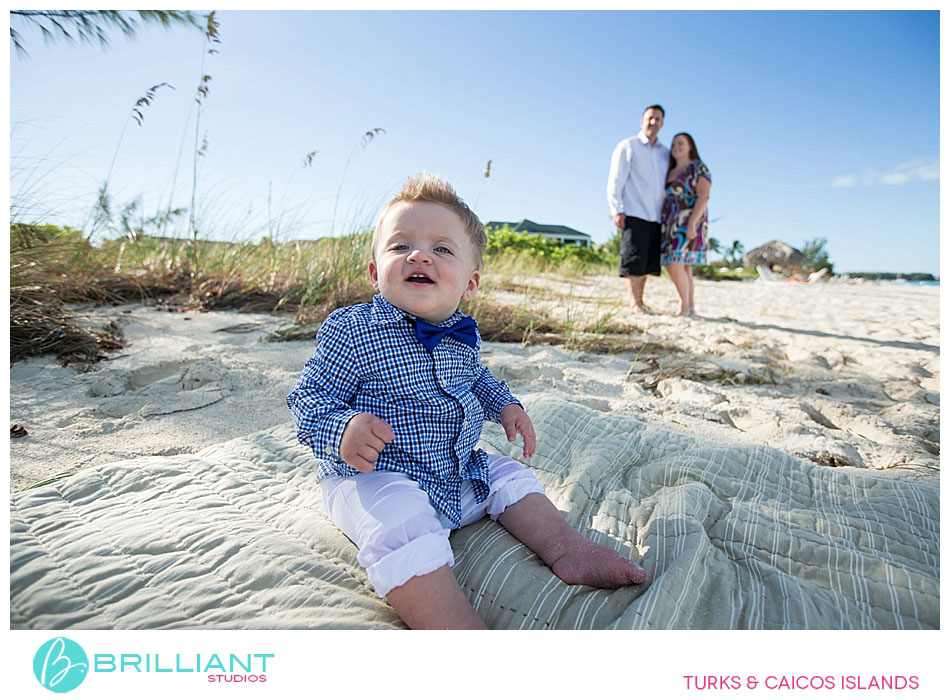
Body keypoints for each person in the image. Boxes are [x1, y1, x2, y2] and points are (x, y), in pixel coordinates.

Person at [287, 174, 647, 629]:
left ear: (470, 283)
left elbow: (477, 377)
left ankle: (567, 549)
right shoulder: (353, 329)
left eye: (442, 249)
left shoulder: (462, 334)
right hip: (374, 475)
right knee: (399, 523)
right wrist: (342, 429)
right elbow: (308, 397)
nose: (419, 255)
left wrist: (506, 406)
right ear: (376, 272)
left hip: (455, 468)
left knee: (511, 477)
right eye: (401, 247)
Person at [606, 104, 670, 313]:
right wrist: (617, 209)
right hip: (633, 211)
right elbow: (615, 180)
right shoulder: (628, 146)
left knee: (647, 262)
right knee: (633, 258)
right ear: (642, 121)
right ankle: (634, 302)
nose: (653, 122)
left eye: (658, 119)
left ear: (662, 123)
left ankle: (640, 300)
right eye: (650, 118)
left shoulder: (665, 154)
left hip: (656, 215)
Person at [660, 132, 712, 316]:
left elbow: (704, 196)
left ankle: (683, 306)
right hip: (670, 221)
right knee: (684, 265)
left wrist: (692, 223)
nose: (676, 147)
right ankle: (690, 307)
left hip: (689, 219)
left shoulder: (698, 168)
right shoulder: (669, 170)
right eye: (673, 144)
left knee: (675, 264)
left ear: (690, 146)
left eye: (681, 143)